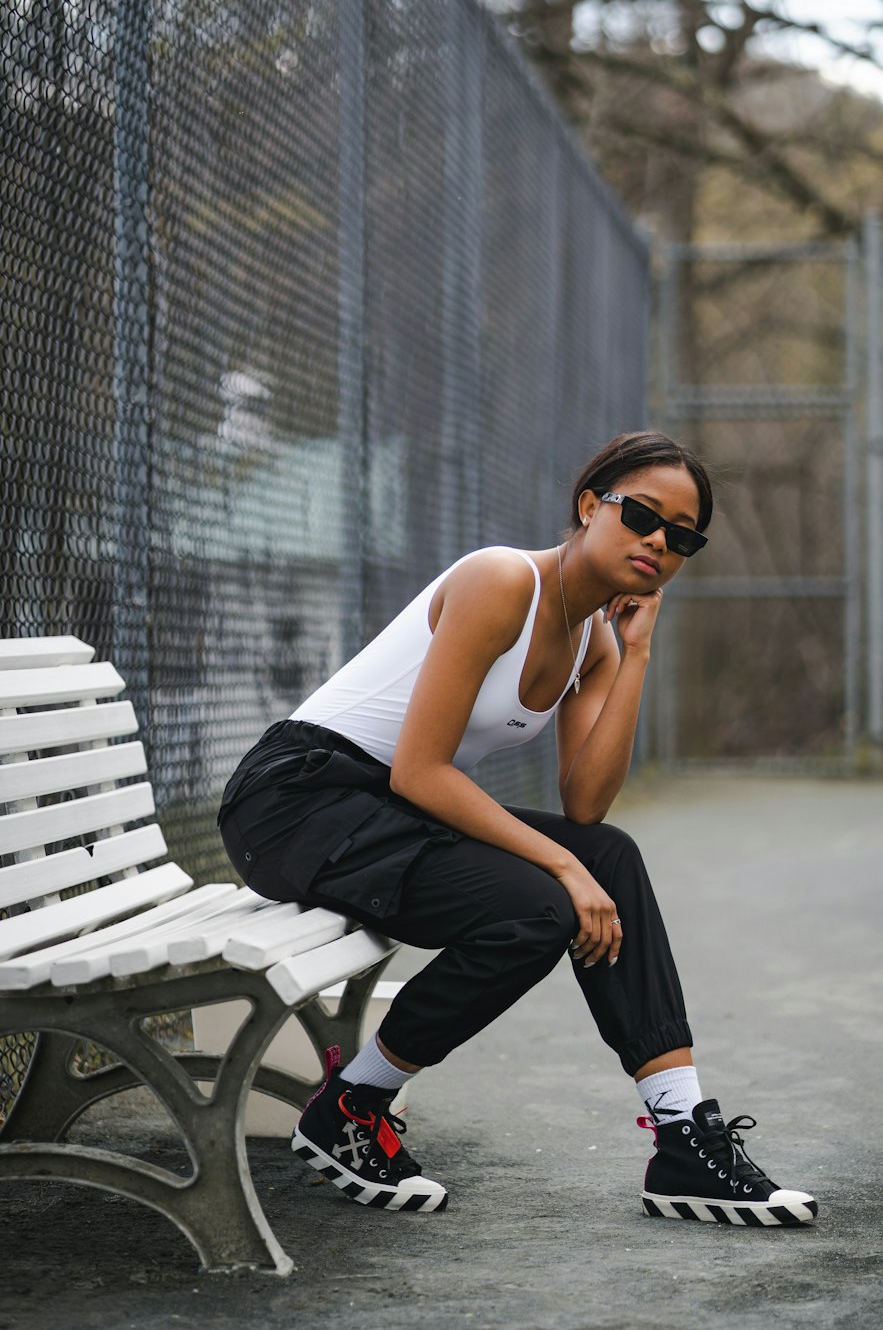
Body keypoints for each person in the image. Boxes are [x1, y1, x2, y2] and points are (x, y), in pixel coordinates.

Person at [218, 430, 817, 1227]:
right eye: (642, 515)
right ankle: (353, 1107)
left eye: (682, 536)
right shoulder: (502, 580)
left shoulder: (595, 640)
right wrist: (564, 872)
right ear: (588, 505)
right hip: (295, 799)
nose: (658, 543)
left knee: (609, 854)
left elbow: (586, 808)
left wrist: (634, 654)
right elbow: (421, 770)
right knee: (545, 902)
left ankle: (683, 1137)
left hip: (381, 809)